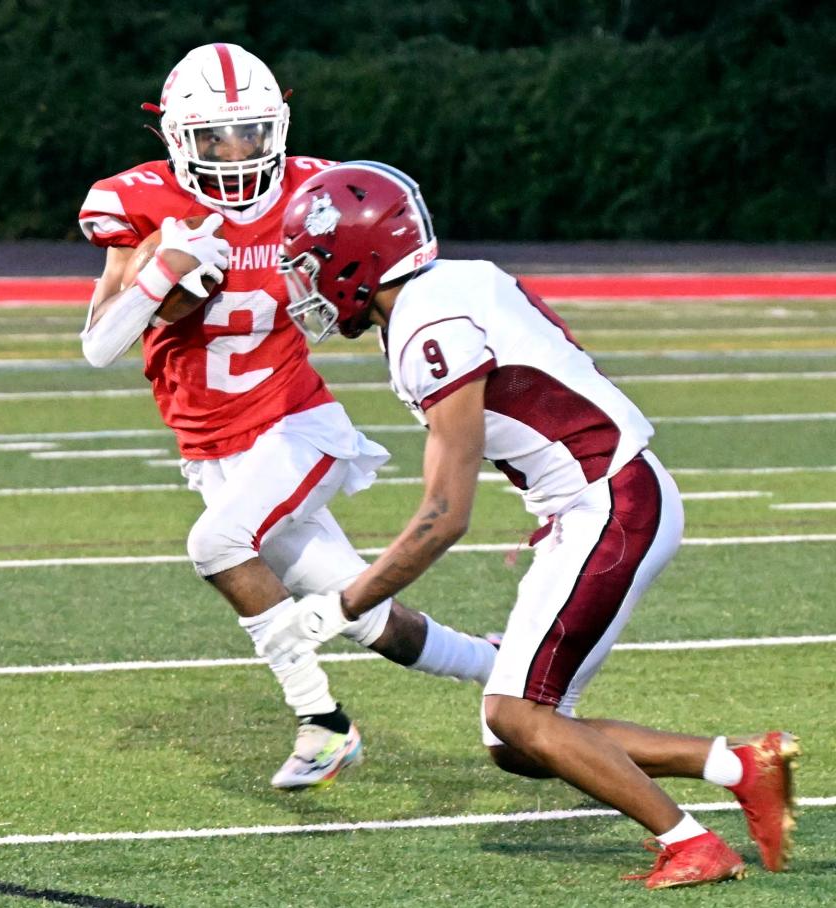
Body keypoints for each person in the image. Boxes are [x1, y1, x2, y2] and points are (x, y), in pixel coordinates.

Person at [263, 160, 800, 886]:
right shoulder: (454, 283)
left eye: (312, 265)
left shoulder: (430, 325)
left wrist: (345, 604)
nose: (307, 285)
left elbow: (444, 514)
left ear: (356, 258)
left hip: (605, 504)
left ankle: (690, 843)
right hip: (601, 496)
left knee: (519, 714)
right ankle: (740, 765)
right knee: (515, 738)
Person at [77, 47, 497, 790]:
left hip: (297, 426)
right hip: (214, 450)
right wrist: (162, 272)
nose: (237, 153)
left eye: (252, 133)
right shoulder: (139, 205)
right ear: (178, 139)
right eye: (216, 138)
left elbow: (380, 279)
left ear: (281, 126)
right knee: (371, 620)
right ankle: (508, 668)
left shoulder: (314, 191)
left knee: (217, 543)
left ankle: (322, 723)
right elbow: (100, 345)